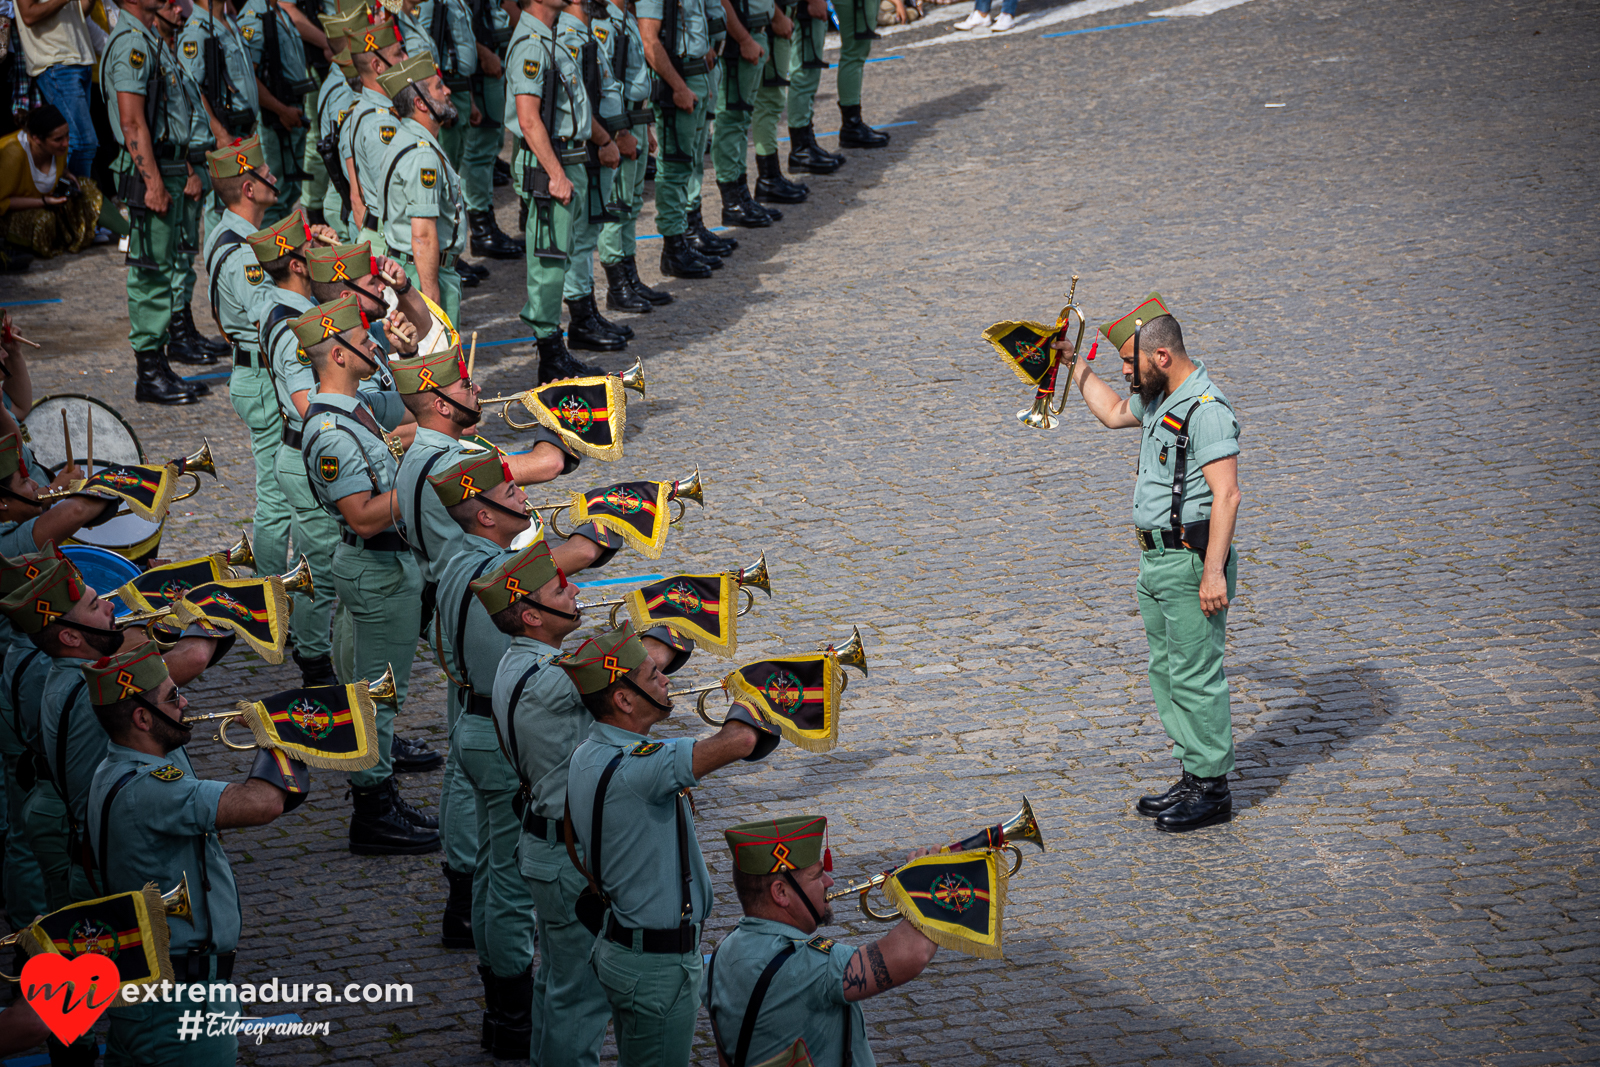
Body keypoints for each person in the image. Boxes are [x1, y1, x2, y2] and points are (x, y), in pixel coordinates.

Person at [488, 553, 690, 1066]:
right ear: (531, 615)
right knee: (581, 999)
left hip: (547, 844)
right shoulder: (555, 680)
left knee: (558, 985)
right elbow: (644, 660)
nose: (575, 591)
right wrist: (689, 603)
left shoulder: (518, 662)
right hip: (568, 856)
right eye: (560, 592)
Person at [1063, 293, 1242, 832]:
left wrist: (1213, 571)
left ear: (1161, 357)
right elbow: (1112, 412)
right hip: (1156, 561)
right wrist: (1074, 364)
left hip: (1190, 561)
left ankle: (1212, 790)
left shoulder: (1206, 410)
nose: (1125, 373)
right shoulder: (1161, 397)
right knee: (1166, 672)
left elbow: (1227, 495)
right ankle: (1193, 772)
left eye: (1129, 363)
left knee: (1195, 675)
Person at [563, 623, 780, 1067]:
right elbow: (740, 741)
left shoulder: (588, 752)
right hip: (657, 968)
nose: (665, 678)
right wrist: (752, 692)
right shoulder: (642, 768)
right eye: (652, 675)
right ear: (623, 701)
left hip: (623, 947)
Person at [86, 644, 310, 1065]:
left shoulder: (112, 768)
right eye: (173, 697)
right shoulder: (149, 788)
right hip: (180, 1004)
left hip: (153, 992)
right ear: (142, 719)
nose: (185, 702)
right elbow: (262, 803)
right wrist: (281, 734)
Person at [294, 294, 442, 854]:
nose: (373, 346)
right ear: (337, 354)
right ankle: (374, 812)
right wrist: (420, 478)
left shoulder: (355, 405)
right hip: (376, 567)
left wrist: (405, 356)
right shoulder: (332, 432)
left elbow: (414, 405)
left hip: (381, 563)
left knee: (367, 688)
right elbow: (360, 514)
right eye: (363, 342)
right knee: (377, 695)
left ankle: (376, 792)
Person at [4, 554, 219, 905]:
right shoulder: (96, 689)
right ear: (70, 636)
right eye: (95, 604)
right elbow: (192, 658)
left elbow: (133, 646)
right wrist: (214, 608)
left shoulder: (74, 673)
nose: (109, 606)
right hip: (116, 859)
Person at [426, 459, 540, 1057]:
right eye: (510, 490)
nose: (521, 493)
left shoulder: (457, 557)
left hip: (475, 724)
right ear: (487, 515)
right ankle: (514, 1016)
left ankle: (504, 1013)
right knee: (512, 884)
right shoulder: (496, 572)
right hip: (501, 735)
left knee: (497, 877)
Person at [706, 816, 940, 1066]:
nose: (829, 882)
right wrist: (930, 887)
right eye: (817, 876)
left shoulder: (722, 952)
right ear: (781, 892)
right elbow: (914, 953)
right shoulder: (806, 963)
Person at [102, 0, 212, 404]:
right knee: (150, 270)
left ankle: (159, 362)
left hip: (167, 165)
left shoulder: (147, 39)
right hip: (151, 170)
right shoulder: (132, 43)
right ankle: (148, 373)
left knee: (164, 267)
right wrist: (152, 182)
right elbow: (132, 121)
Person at [203, 140, 298, 602]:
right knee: (277, 497)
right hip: (263, 378)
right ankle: (268, 597)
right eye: (265, 173)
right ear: (248, 188)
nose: (273, 179)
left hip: (254, 372)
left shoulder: (225, 231)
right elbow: (271, 315)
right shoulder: (243, 253)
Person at [503, 0, 605, 381]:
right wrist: (556, 174)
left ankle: (555, 348)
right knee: (548, 262)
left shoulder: (549, 37)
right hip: (548, 166)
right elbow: (528, 120)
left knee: (559, 257)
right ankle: (550, 356)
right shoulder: (532, 45)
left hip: (561, 159)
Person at [557, 0, 634, 352]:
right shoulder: (569, 37)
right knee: (580, 237)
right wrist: (605, 140)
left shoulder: (584, 32)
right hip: (588, 145)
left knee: (587, 235)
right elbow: (579, 102)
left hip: (597, 142)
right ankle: (581, 320)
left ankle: (589, 313)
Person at [374, 54, 469, 324]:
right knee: (435, 348)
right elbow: (423, 236)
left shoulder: (407, 137)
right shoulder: (422, 155)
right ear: (420, 103)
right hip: (421, 275)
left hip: (411, 270)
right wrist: (431, 302)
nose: (447, 91)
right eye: (439, 87)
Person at [595, 0, 671, 314]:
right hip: (621, 125)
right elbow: (604, 86)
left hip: (635, 119)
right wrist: (620, 133)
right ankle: (617, 286)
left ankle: (630, 276)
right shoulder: (604, 23)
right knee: (617, 206)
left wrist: (645, 126)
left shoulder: (624, 17)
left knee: (631, 203)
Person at [637, 0, 721, 279]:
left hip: (694, 76)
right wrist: (678, 86)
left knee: (690, 163)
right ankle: (673, 248)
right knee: (674, 167)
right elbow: (649, 41)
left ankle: (686, 236)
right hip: (679, 80)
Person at [238, 0, 316, 224]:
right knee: (271, 194)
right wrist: (280, 110)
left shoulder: (278, 10)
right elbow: (249, 78)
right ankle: (270, 245)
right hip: (273, 117)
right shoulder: (253, 17)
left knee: (289, 193)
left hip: (292, 111)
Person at [0, 104, 110, 256]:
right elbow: (2, 202)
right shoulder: (13, 155)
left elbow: (55, 167)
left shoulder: (58, 148)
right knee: (45, 221)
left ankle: (124, 231)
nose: (66, 143)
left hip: (46, 201)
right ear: (36, 139)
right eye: (58, 139)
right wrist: (43, 202)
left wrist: (66, 173)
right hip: (10, 212)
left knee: (87, 188)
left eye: (67, 135)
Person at [336, 17, 407, 251]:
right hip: (392, 239)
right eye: (398, 54)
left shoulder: (370, 109)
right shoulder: (381, 124)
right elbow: (394, 192)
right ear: (378, 66)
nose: (405, 59)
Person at [709, 0, 779, 228]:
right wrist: (745, 40)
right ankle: (732, 202)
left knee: (740, 121)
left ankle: (742, 195)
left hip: (750, 34)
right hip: (738, 39)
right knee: (731, 121)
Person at [10, 0, 98, 179]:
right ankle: (76, 195)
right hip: (56, 63)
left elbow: (81, 10)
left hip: (80, 60)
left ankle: (69, 192)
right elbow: (28, 14)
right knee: (83, 143)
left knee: (77, 143)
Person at [742, 0, 805, 205]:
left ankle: (770, 176)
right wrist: (777, 16)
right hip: (764, 23)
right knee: (764, 105)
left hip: (769, 21)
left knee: (770, 102)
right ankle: (767, 179)